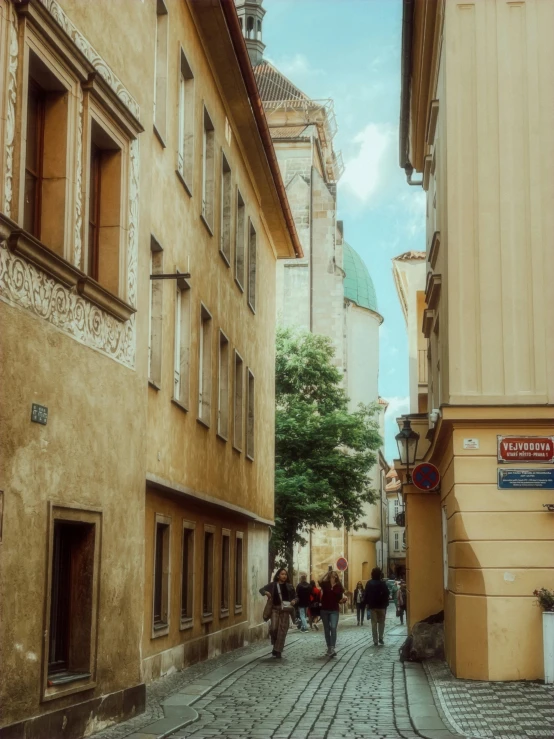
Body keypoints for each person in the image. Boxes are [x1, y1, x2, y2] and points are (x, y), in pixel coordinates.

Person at [259, 568, 298, 659]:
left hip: (285, 610)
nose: (284, 576)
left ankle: (278, 650)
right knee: (274, 629)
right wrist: (266, 593)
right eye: (282, 574)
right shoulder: (272, 585)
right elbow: (261, 590)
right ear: (278, 575)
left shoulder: (289, 586)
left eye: (285, 574)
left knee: (282, 630)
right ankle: (275, 645)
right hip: (275, 610)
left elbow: (296, 597)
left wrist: (294, 601)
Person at [319, 570, 345, 657]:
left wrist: (343, 600)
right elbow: (319, 580)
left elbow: (339, 600)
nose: (334, 577)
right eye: (332, 576)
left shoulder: (339, 586)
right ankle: (329, 647)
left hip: (334, 610)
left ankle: (332, 648)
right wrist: (326, 573)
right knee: (327, 629)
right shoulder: (325, 584)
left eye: (335, 576)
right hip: (324, 610)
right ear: (330, 576)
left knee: (333, 627)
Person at [363, 567, 390, 646]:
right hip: (382, 606)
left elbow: (366, 594)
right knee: (381, 622)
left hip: (372, 606)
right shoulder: (382, 583)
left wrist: (366, 604)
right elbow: (387, 593)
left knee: (374, 623)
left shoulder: (369, 583)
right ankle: (381, 637)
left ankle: (375, 640)